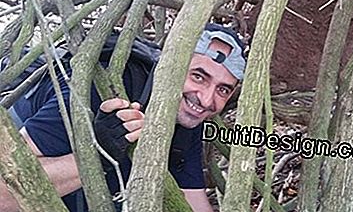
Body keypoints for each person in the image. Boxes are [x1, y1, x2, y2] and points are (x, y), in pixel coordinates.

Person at [0, 23, 246, 212]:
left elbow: (192, 201)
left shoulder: (186, 116)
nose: (205, 99)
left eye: (222, 89)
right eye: (198, 77)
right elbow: (4, 194)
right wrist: (98, 155)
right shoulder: (99, 89)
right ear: (172, 63)